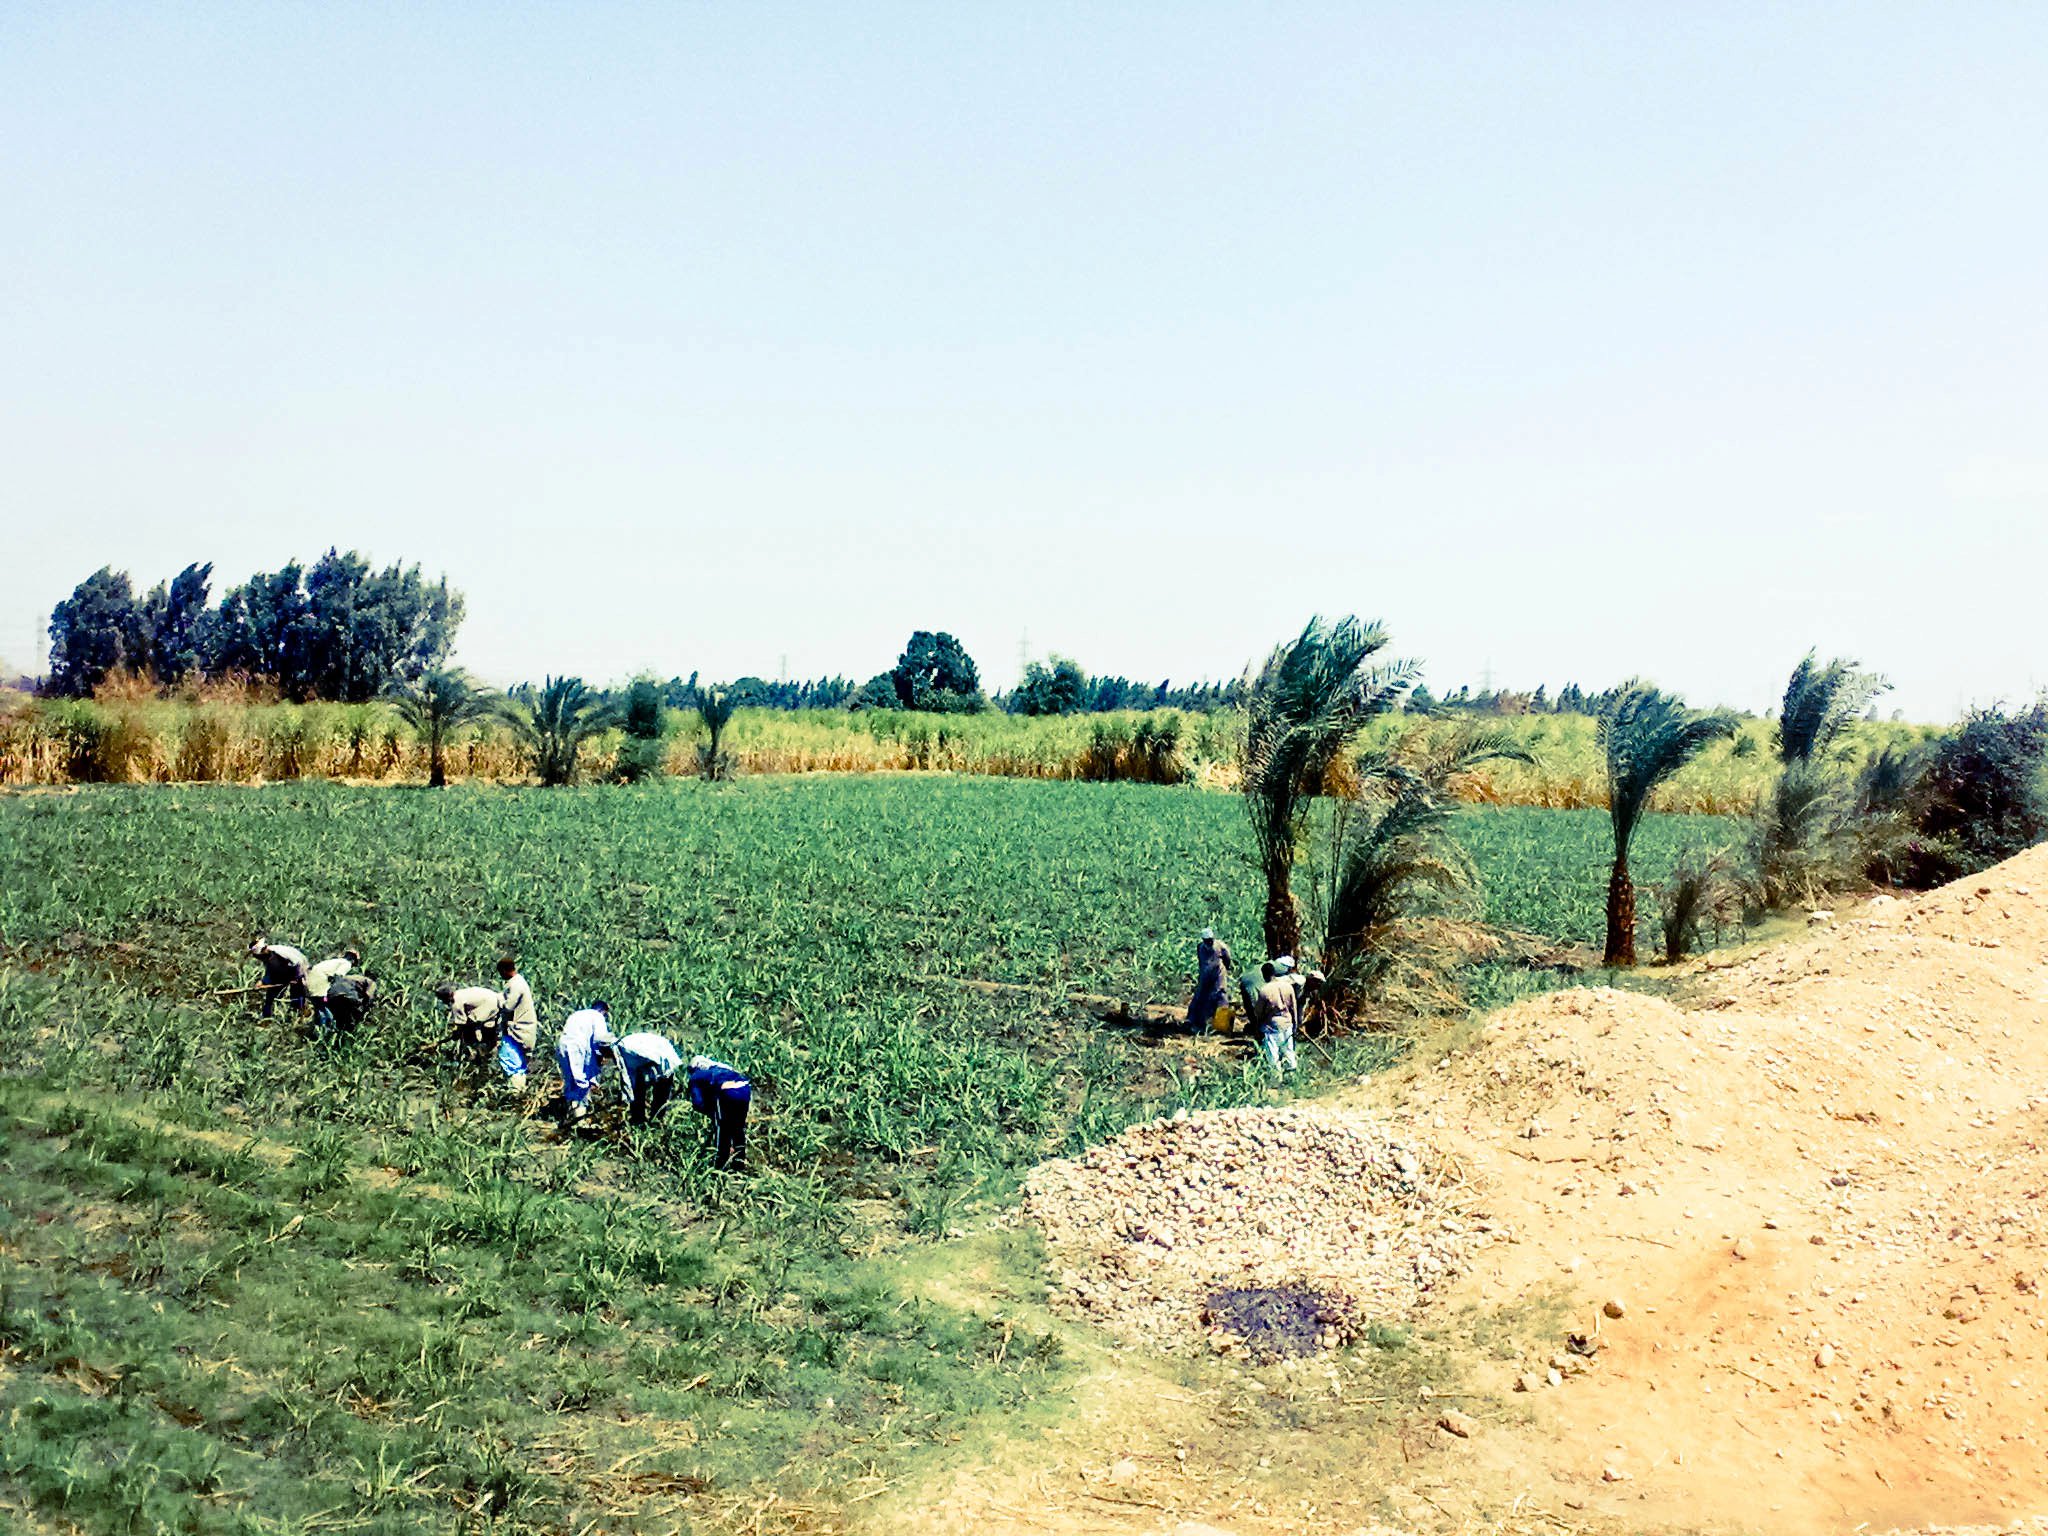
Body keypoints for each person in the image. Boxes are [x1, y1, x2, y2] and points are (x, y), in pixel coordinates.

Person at [686, 1054, 752, 1172]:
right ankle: (739, 1164)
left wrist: (712, 1113)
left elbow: (698, 1103)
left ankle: (719, 1165)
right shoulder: (722, 1068)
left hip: (728, 1092)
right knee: (738, 1128)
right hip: (745, 1089)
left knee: (722, 1129)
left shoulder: (695, 1076)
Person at [555, 1001, 616, 1124]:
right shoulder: (597, 1016)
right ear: (603, 1011)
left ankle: (568, 1115)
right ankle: (579, 1119)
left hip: (562, 1046)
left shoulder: (577, 1014)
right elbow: (600, 1039)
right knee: (581, 1082)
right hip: (577, 1049)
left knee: (570, 1081)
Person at [613, 1031, 682, 1126]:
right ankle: (642, 1120)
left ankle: (654, 1121)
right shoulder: (624, 1045)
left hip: (661, 1058)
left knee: (660, 1092)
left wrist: (628, 1095)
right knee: (640, 1089)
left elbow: (627, 1075)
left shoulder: (623, 1049)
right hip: (656, 1057)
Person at [1251, 956, 1303, 1079]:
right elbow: (1294, 1007)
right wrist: (1295, 1023)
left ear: (1264, 975)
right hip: (1287, 1022)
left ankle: (1276, 1077)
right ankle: (1292, 1073)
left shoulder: (1264, 990)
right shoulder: (1288, 987)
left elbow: (1258, 1012)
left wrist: (1258, 1025)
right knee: (1289, 1049)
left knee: (1273, 1051)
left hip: (1272, 1025)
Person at [496, 957, 539, 1092]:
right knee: (516, 1060)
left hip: (518, 1029)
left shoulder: (516, 985)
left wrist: (496, 1000)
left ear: (504, 970)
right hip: (519, 1028)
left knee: (511, 1060)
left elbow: (508, 1006)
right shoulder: (518, 982)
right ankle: (518, 1090)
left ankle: (516, 1092)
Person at [437, 981, 505, 1061]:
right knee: (487, 1026)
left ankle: (478, 1053)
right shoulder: (460, 993)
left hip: (488, 1004)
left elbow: (461, 1023)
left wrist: (456, 1033)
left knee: (468, 1031)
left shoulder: (456, 1003)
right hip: (494, 999)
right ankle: (489, 1050)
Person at [1186, 927, 1235, 1034]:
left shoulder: (1220, 946)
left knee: (1221, 996)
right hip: (1205, 975)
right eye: (1207, 940)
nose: (1209, 942)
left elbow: (1228, 959)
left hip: (1218, 975)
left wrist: (1224, 970)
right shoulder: (1200, 948)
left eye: (1210, 940)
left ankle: (1222, 1026)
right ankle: (1194, 1021)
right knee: (1201, 996)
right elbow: (1201, 962)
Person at [249, 938, 309, 1019]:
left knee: (297, 995)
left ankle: (299, 1015)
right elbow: (270, 971)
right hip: (282, 975)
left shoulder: (278, 954)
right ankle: (266, 1016)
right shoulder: (268, 957)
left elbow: (297, 963)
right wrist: (262, 982)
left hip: (295, 972)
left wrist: (297, 978)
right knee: (270, 997)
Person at [306, 947, 362, 1033]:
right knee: (324, 1004)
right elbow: (338, 976)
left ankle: (317, 1027)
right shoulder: (346, 964)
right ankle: (325, 1029)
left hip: (312, 979)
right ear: (353, 960)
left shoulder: (335, 961)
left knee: (318, 1004)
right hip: (321, 983)